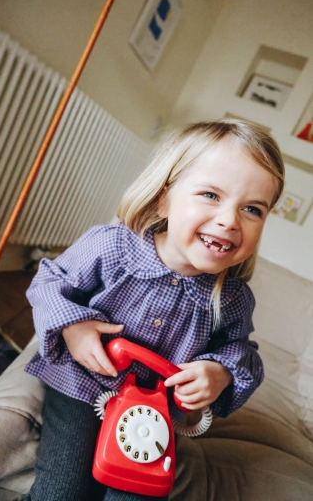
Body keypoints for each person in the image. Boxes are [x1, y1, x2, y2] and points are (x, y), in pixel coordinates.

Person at [23, 119, 285, 501]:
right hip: (82, 386)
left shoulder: (232, 299)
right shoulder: (110, 247)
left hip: (156, 413)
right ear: (164, 199)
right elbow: (46, 282)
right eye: (210, 195)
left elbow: (244, 354)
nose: (229, 221)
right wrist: (72, 328)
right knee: (60, 492)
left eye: (252, 209)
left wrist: (221, 372)